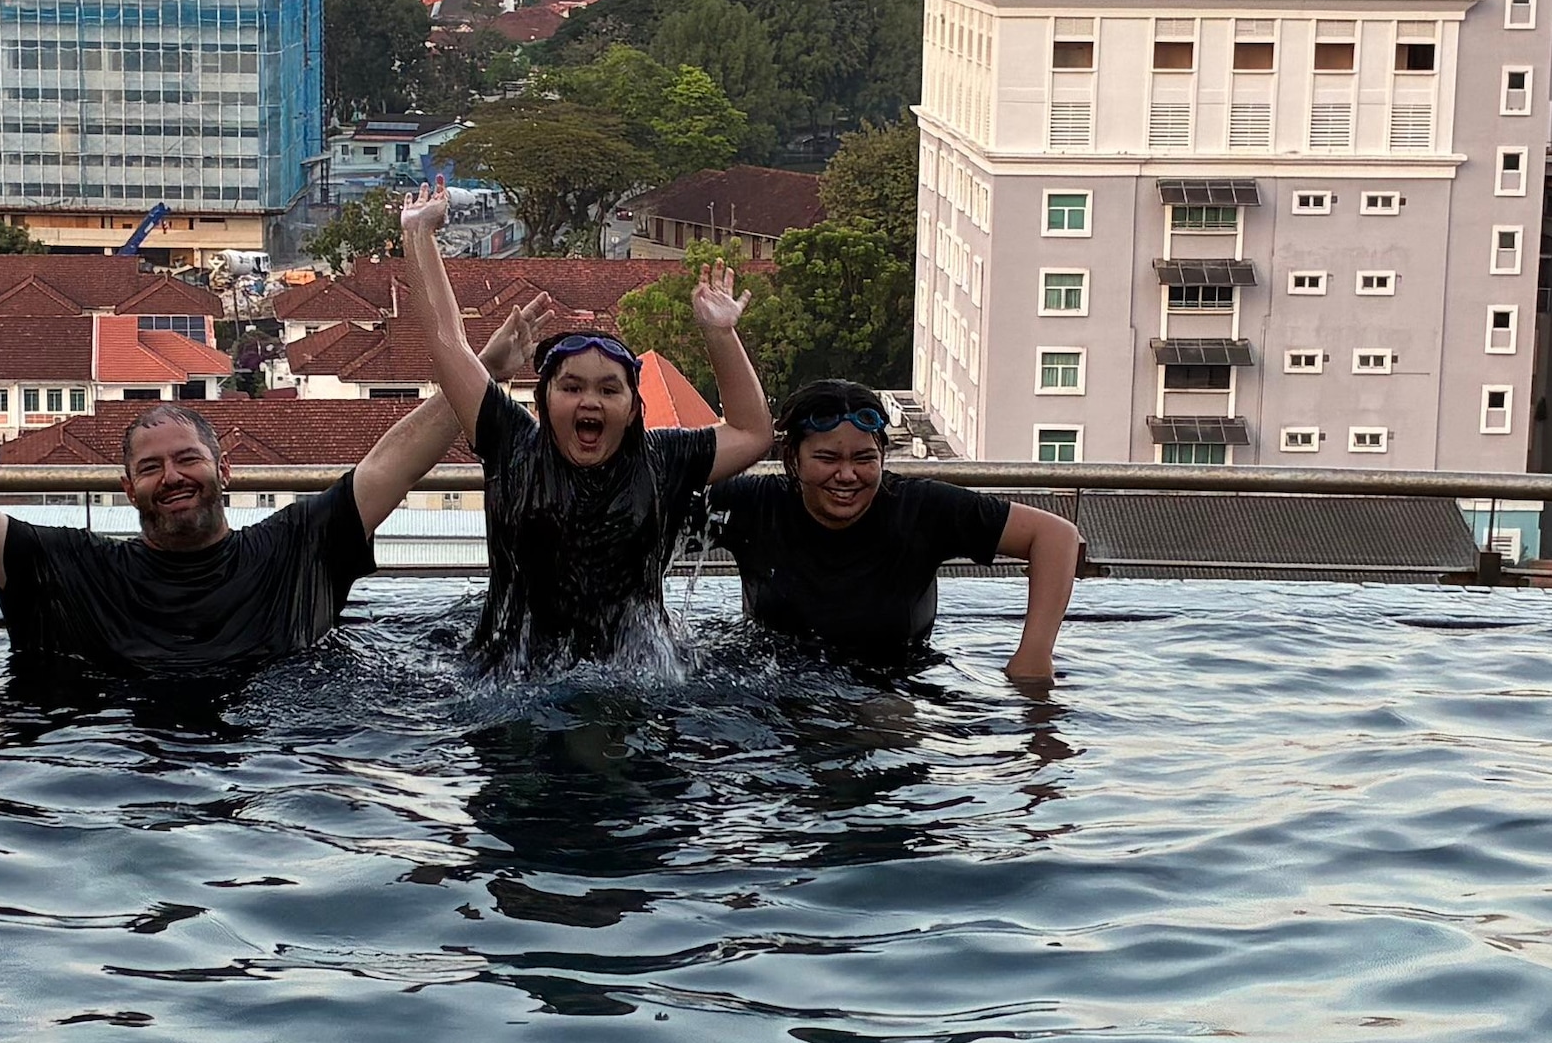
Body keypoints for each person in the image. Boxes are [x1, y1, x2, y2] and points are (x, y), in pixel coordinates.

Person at [0, 372, 460, 693]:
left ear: (224, 471)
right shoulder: (76, 569)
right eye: (151, 468)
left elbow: (389, 466)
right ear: (128, 490)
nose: (172, 477)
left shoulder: (294, 548)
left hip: (272, 777)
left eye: (188, 459)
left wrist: (475, 378)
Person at [394, 187, 771, 669]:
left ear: (633, 409)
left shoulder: (661, 460)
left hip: (636, 675)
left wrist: (720, 334)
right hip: (514, 673)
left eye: (609, 390)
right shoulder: (514, 444)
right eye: (571, 387)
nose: (589, 401)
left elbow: (752, 432)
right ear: (543, 401)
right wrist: (419, 233)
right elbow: (447, 343)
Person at [717, 376, 1083, 689]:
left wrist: (1034, 655)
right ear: (793, 460)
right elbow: (679, 499)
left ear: (882, 458)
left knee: (890, 718)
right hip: (775, 685)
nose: (847, 475)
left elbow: (1055, 536)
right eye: (827, 459)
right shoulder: (757, 505)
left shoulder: (918, 508)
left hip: (893, 684)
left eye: (864, 459)